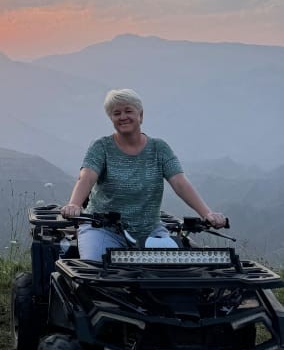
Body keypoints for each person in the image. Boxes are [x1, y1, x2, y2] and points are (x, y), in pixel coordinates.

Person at [60, 88, 225, 261]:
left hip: (150, 229)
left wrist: (207, 214)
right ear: (111, 118)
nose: (123, 116)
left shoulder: (159, 148)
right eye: (117, 113)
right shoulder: (101, 147)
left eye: (128, 111)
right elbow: (87, 177)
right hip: (102, 228)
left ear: (141, 115)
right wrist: (74, 204)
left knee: (174, 272)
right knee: (95, 270)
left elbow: (180, 182)